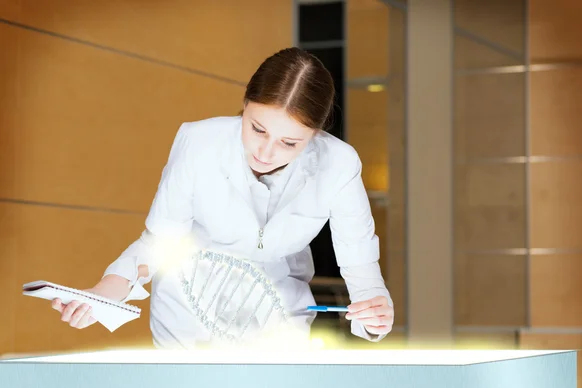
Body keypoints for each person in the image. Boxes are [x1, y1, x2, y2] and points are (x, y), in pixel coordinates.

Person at [51, 47, 394, 348]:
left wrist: (374, 310)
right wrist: (105, 291)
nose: (266, 151)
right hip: (188, 315)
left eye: (289, 143)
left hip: (277, 318)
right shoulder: (199, 142)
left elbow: (360, 263)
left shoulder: (338, 164)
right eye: (257, 128)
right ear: (245, 105)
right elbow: (159, 242)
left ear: (316, 134)